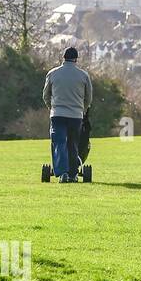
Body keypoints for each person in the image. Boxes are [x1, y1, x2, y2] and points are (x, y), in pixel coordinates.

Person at [43, 46, 93, 183]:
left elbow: (46, 95)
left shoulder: (52, 73)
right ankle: (73, 173)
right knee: (73, 144)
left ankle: (62, 172)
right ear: (76, 59)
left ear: (63, 58)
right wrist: (83, 110)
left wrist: (52, 107)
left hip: (57, 114)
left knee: (59, 142)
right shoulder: (83, 75)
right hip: (76, 116)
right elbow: (88, 97)